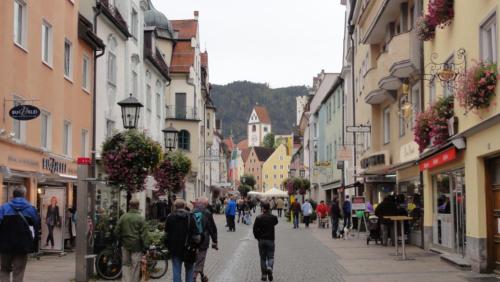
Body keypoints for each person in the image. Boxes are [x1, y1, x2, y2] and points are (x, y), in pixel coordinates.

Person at [0, 186, 40, 282]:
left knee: (4, 270)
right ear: (24, 195)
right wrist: (34, 243)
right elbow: (36, 225)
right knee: (18, 271)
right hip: (22, 245)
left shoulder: (3, 208)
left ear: (13, 195)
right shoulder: (31, 209)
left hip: (5, 245)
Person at [114, 199, 148, 282]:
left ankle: (126, 280)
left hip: (125, 245)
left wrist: (121, 239)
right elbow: (144, 234)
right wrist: (146, 246)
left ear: (129, 206)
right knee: (135, 266)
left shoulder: (123, 217)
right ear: (138, 206)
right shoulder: (141, 218)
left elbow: (116, 231)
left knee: (125, 265)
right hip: (137, 246)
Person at [165, 199, 197, 282]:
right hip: (189, 248)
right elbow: (195, 233)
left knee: (176, 270)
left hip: (174, 248)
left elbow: (166, 234)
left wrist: (167, 246)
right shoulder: (191, 216)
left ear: (175, 206)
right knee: (190, 269)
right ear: (184, 206)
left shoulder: (170, 217)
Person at [192, 198, 218, 282]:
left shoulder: (191, 212)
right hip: (203, 241)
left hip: (192, 241)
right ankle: (193, 278)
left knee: (196, 259)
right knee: (200, 259)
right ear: (206, 204)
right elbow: (212, 228)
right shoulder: (207, 213)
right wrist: (215, 241)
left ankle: (202, 276)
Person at [253, 202, 278, 281]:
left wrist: (258, 238)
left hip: (262, 240)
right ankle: (270, 267)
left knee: (263, 258)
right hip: (270, 240)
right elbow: (276, 222)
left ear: (263, 208)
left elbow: (254, 229)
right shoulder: (273, 217)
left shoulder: (258, 217)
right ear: (269, 208)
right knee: (271, 256)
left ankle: (264, 275)